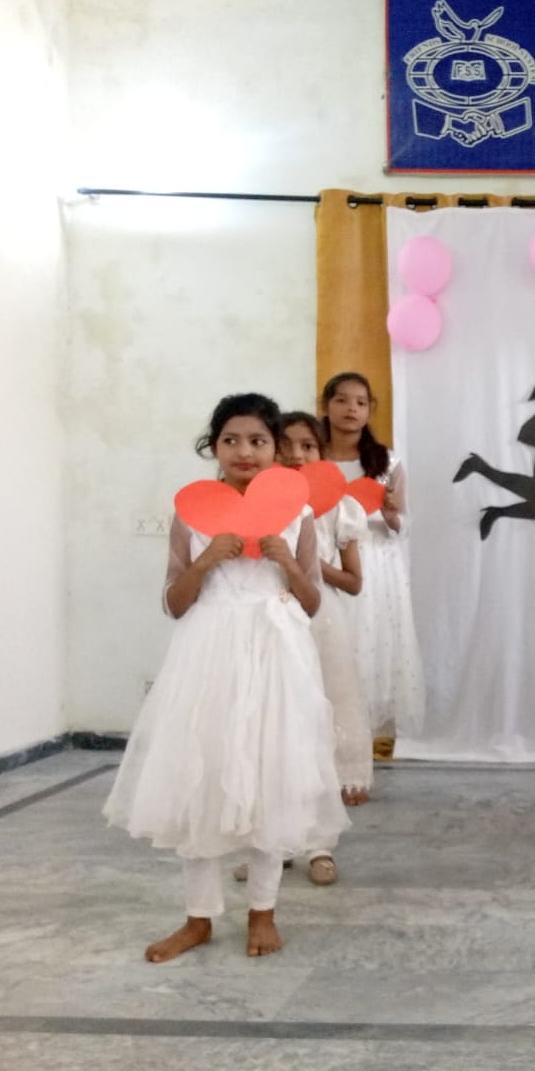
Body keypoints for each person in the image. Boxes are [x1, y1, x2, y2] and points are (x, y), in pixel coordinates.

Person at [104, 393, 348, 961]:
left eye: (258, 441)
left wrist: (284, 560)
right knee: (200, 776)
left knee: (270, 776)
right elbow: (175, 603)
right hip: (207, 657)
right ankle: (198, 918)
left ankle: (263, 911)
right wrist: (206, 558)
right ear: (213, 446)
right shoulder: (192, 514)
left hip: (276, 656)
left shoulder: (298, 514)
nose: (244, 451)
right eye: (230, 440)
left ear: (276, 450)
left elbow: (312, 602)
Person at [320, 373, 425, 758]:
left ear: (369, 410)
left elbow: (404, 525)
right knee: (326, 643)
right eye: (342, 400)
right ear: (326, 406)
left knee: (366, 647)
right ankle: (319, 739)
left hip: (375, 563)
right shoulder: (312, 456)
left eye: (360, 402)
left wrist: (392, 512)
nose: (351, 409)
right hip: (325, 556)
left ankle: (358, 746)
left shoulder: (386, 461)